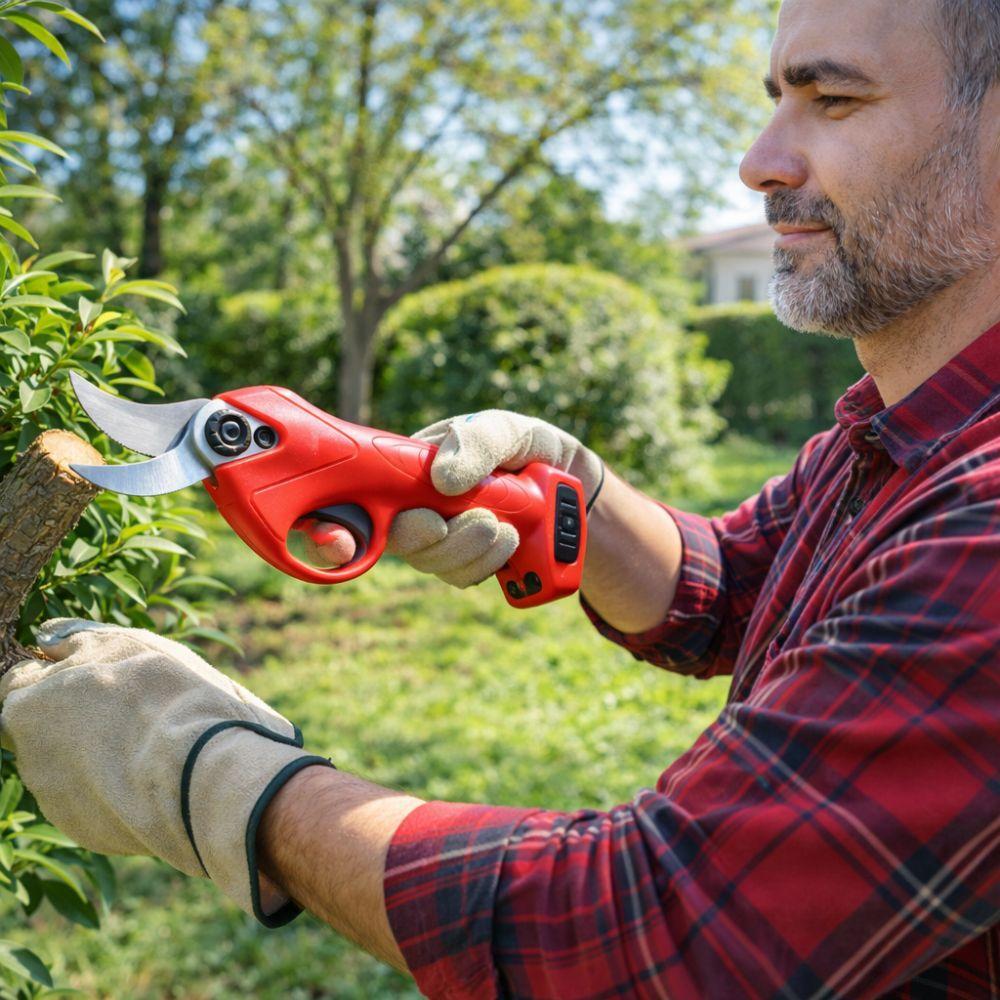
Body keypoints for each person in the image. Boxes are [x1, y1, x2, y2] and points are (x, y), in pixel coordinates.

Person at [2, 0, 998, 995]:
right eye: (777, 97)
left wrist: (219, 782)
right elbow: (737, 586)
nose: (758, 161)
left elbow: (642, 935)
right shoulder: (892, 437)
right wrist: (571, 494)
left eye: (834, 99)